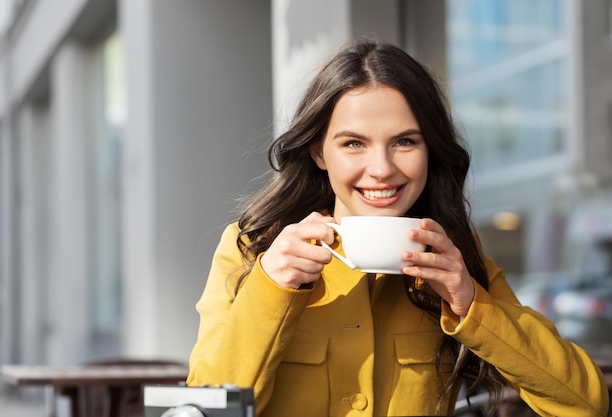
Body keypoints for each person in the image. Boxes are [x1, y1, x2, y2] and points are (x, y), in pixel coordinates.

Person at [186, 38, 609, 416]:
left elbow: (586, 404)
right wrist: (270, 290)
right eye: (353, 143)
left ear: (431, 150)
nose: (382, 170)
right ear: (318, 151)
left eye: (405, 142)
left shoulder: (453, 258)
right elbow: (204, 409)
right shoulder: (253, 248)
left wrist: (472, 305)